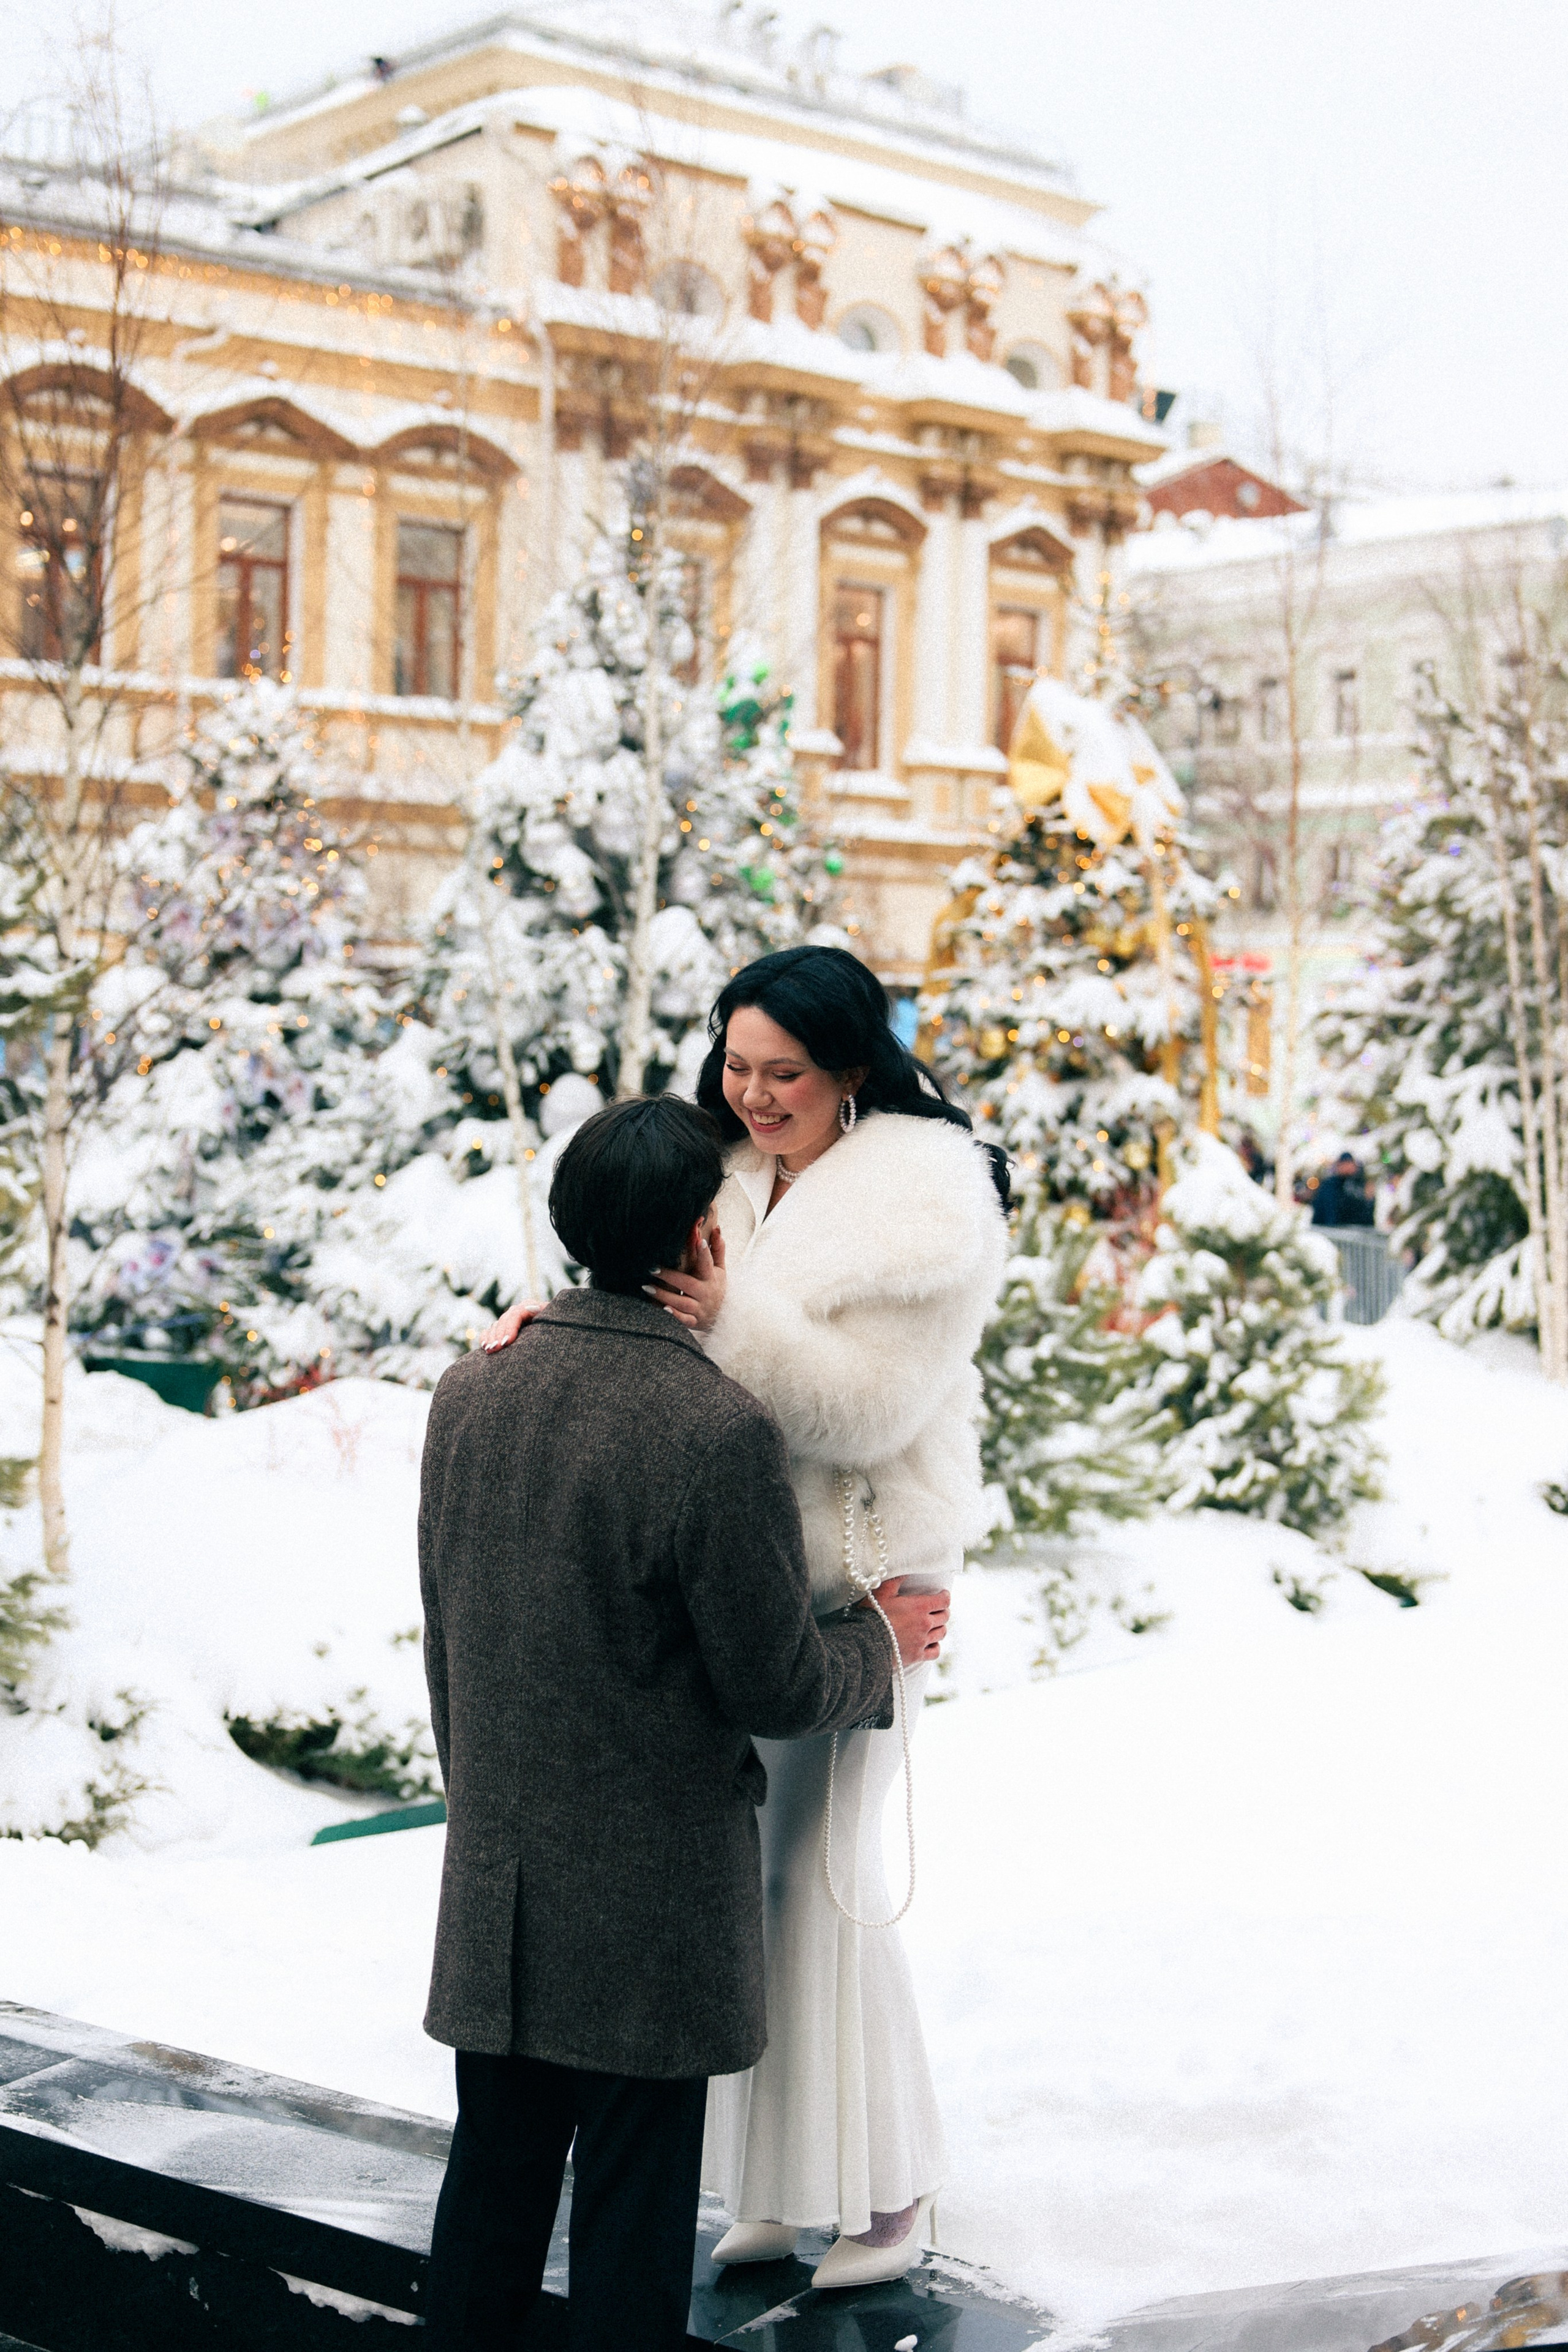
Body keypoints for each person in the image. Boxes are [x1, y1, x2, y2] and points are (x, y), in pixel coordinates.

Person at [484, 946, 1009, 2290]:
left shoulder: (927, 1205)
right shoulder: (716, 1164)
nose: (754, 1094)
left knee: (816, 1892)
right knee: (735, 1904)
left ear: (851, 1071)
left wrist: (737, 1320)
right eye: (736, 1065)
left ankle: (889, 2196)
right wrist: (546, 1324)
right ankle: (780, 2186)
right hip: (726, 1566)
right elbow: (633, 1287)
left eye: (785, 1073)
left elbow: (871, 1412)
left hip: (859, 1583)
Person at [420, 1093, 949, 2352]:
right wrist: (878, 1638)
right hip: (647, 1915)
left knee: (485, 2208)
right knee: (630, 2231)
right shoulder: (714, 1430)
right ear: (709, 1240)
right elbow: (770, 1684)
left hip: (497, 1890)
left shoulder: (468, 1390)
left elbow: (450, 1628)